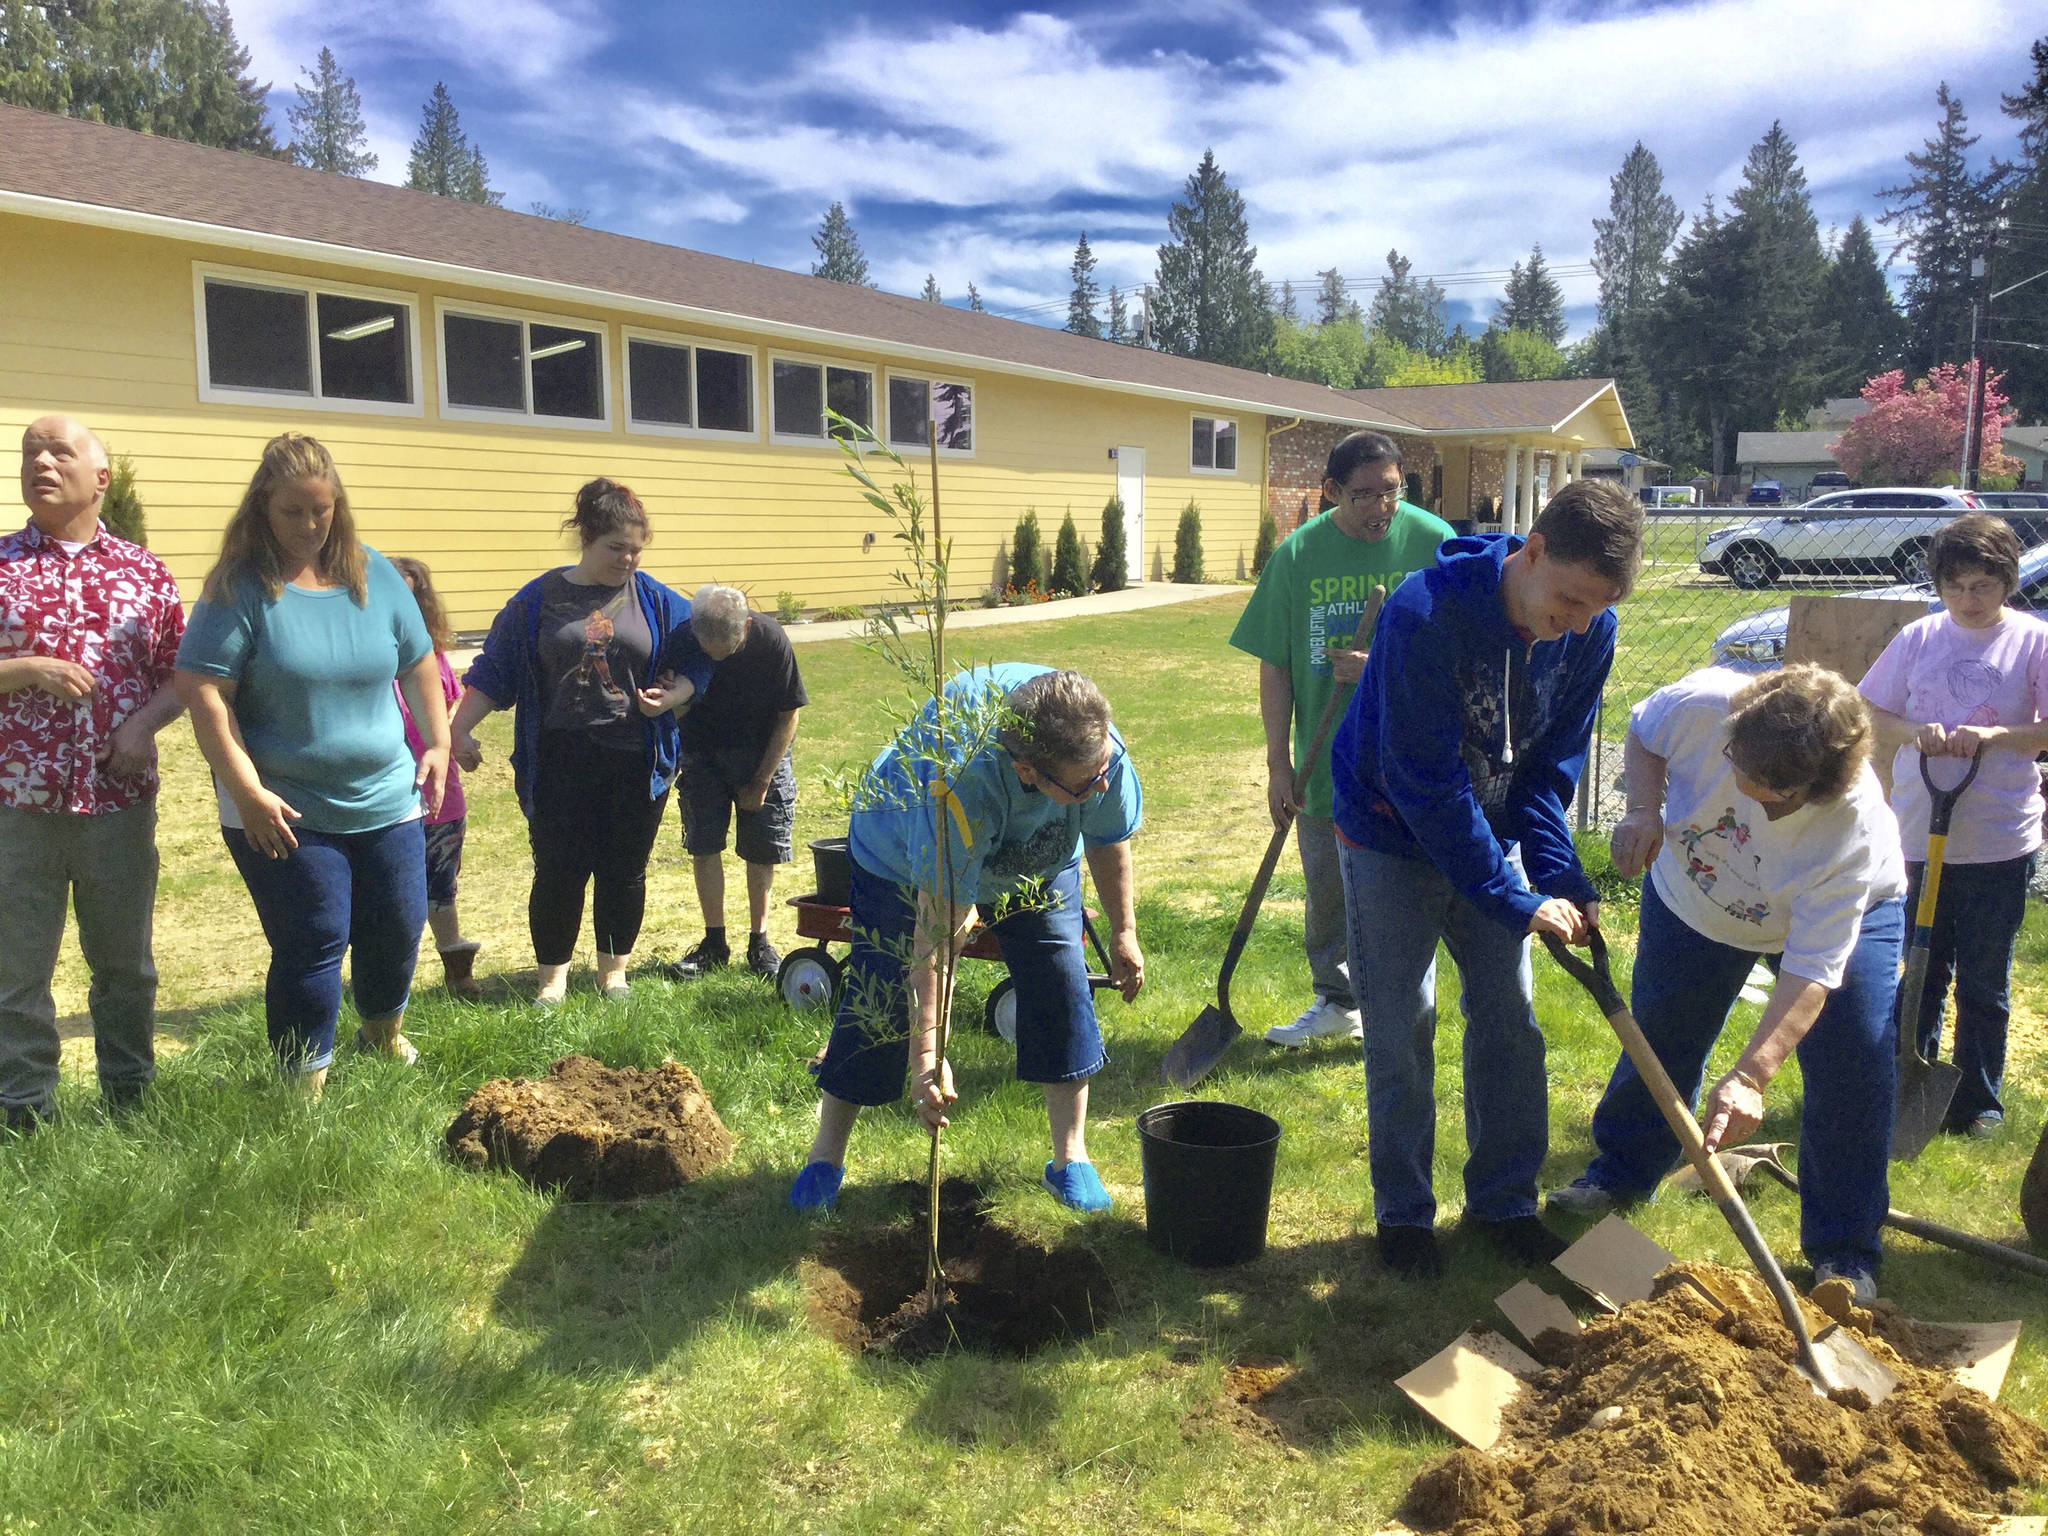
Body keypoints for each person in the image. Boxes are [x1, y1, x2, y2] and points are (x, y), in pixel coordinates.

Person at [1332, 478, 1642, 1278]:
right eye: (1568, 599)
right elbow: (1425, 784)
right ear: (1531, 552)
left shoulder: (1590, 629)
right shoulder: (1423, 613)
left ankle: (1504, 1202)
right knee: (1402, 1025)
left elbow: (1545, 772)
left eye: (1593, 608)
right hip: (1389, 835)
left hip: (1493, 833)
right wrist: (1511, 898)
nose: (1574, 622)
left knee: (1510, 1023)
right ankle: (1404, 1216)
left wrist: (1560, 879)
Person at [1549, 665, 1907, 1304]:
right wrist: (1641, 809)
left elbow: (1813, 971)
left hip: (1833, 916)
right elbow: (1644, 731)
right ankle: (1624, 1172)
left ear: (1821, 785)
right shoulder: (1709, 702)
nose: (1748, 789)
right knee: (1661, 1033)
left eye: (1774, 790)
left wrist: (1751, 1075)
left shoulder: (1849, 828)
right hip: (1697, 899)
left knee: (1854, 1064)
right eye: (1742, 767)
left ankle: (1843, 1251)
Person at [787, 665, 1144, 1214]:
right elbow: (934, 941)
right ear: (1027, 771)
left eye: (1103, 773)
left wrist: (1124, 933)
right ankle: (825, 1157)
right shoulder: (961, 787)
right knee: (880, 997)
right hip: (899, 858)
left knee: (1060, 980)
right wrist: (928, 1056)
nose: (1102, 785)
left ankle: (1070, 1159)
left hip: (1038, 865)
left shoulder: (1097, 752)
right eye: (1085, 784)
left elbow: (1107, 836)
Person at [176, 433, 447, 1094]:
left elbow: (418, 663)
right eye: (292, 511)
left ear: (338, 505)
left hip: (386, 797)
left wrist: (436, 743)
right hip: (283, 804)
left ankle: (381, 1034)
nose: (308, 525)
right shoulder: (241, 586)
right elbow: (202, 688)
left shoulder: (373, 572)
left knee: (399, 925)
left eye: (320, 510)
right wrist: (244, 790)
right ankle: (303, 1093)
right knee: (316, 936)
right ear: (262, 508)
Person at [1230, 431, 1452, 1046]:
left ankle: (1403, 1008)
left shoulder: (1435, 543)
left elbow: (1463, 646)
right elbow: (1274, 664)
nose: (1382, 507)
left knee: (1407, 890)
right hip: (1328, 760)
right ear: (1331, 491)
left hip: (1411, 757)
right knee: (1328, 888)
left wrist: (1379, 659)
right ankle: (1337, 1000)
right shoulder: (1298, 556)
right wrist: (1279, 764)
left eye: (1392, 491)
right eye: (1365, 495)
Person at [451, 479, 711, 1005]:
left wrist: (677, 692)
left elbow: (700, 654)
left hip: (637, 763)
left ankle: (613, 974)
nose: (629, 559)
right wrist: (459, 729)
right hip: (559, 760)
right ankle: (552, 981)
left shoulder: (657, 600)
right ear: (586, 538)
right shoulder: (536, 601)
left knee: (624, 869)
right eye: (616, 548)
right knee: (558, 871)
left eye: (637, 548)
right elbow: (494, 670)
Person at [0, 416, 186, 1133]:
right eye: (28, 453)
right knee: (17, 972)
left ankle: (130, 1102)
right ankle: (24, 1112)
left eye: (58, 451)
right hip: (19, 804)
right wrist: (24, 670)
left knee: (125, 969)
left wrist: (143, 726)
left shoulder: (145, 573)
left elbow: (182, 676)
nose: (40, 462)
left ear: (99, 478)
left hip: (117, 804)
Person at [1857, 514, 2048, 1139]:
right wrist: (1916, 733)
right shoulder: (1918, 638)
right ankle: (1904, 1079)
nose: (1970, 600)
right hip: (1917, 830)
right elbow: (1868, 708)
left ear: (2007, 584)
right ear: (1939, 584)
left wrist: (1994, 737)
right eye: (1957, 586)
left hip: (1999, 837)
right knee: (1920, 965)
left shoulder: (2033, 641)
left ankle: (1979, 1101)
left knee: (1985, 978)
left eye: (1984, 587)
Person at [652, 583, 807, 982]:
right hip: (703, 756)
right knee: (704, 846)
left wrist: (761, 779)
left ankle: (761, 941)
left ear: (747, 625)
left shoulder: (771, 640)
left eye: (729, 647)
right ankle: (713, 942)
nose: (717, 656)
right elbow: (675, 703)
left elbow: (788, 714)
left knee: (761, 850)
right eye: (709, 650)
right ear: (694, 630)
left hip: (762, 753)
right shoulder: (681, 640)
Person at [390, 556, 483, 1001]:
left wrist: (457, 741)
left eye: (412, 598)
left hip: (439, 796)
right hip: (387, 796)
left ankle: (455, 969)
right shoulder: (366, 660)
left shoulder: (433, 656)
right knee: (393, 892)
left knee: (441, 885)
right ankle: (388, 981)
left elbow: (450, 706)